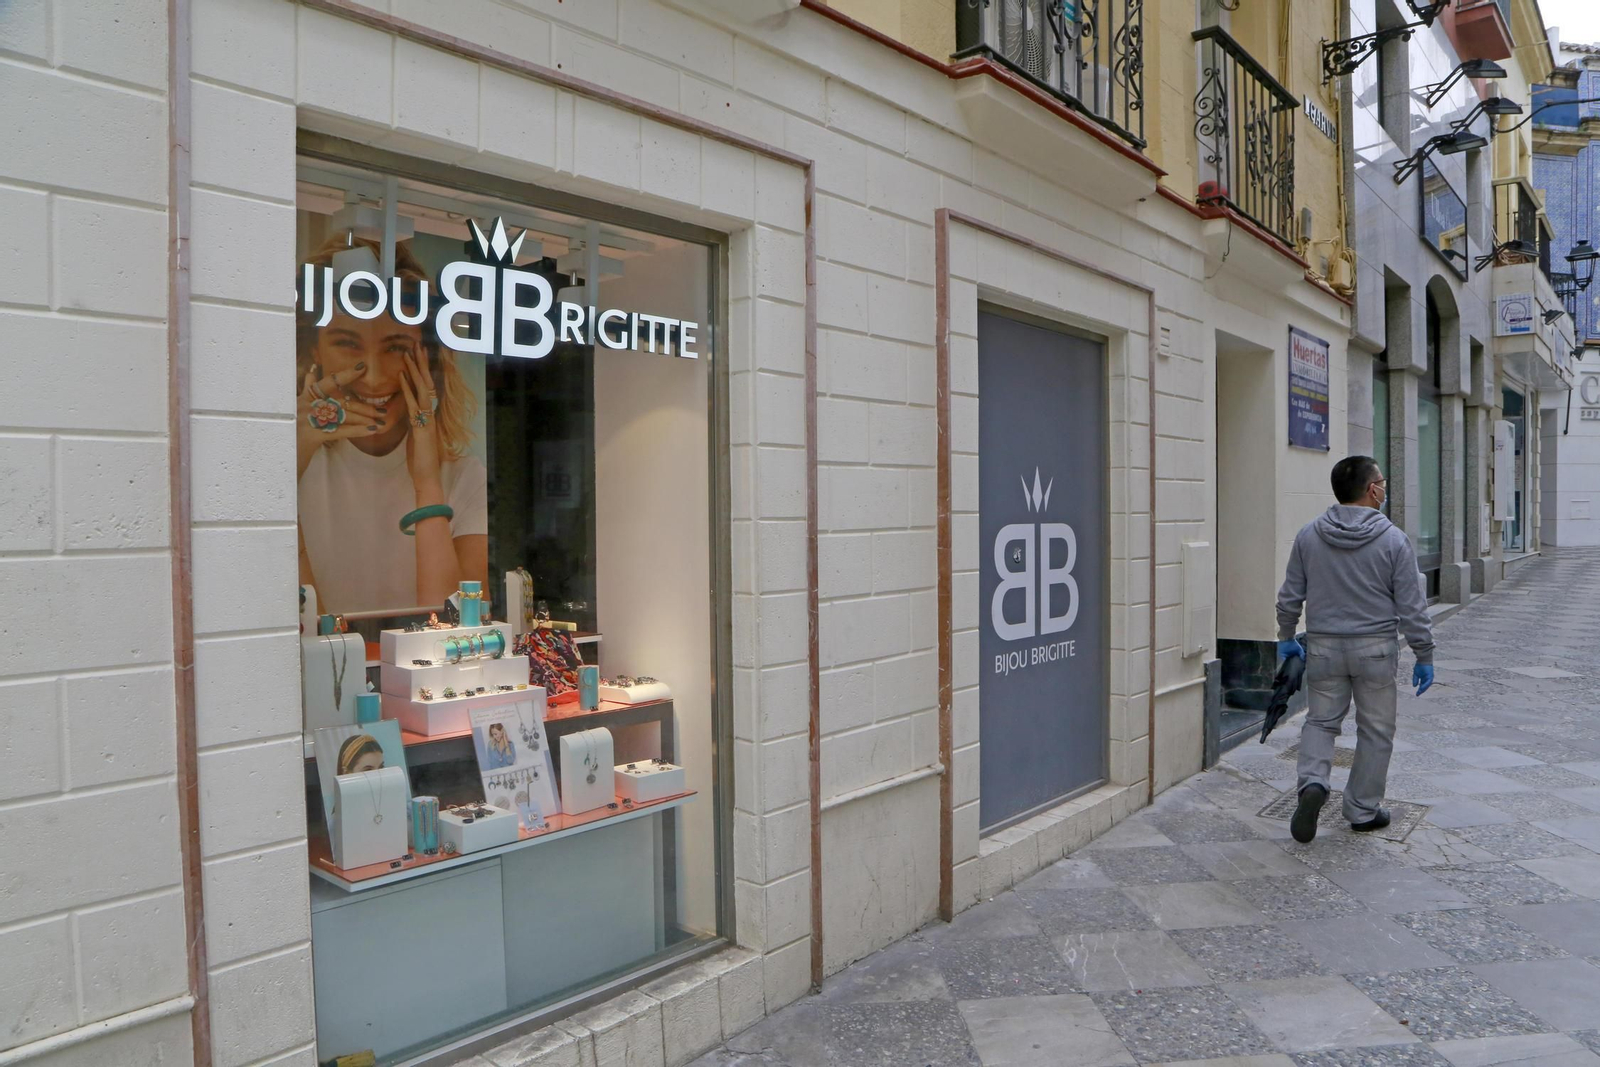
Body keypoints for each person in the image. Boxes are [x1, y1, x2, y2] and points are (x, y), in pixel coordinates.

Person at [296, 235, 488, 616]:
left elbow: (454, 632)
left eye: (395, 347)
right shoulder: (291, 470)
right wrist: (290, 461)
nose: (371, 378)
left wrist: (428, 485)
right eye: (347, 344)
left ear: (427, 356)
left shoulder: (464, 478)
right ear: (314, 350)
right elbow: (288, 629)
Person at [1275, 456, 1435, 842]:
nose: (1384, 487)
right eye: (1382, 481)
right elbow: (1411, 606)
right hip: (1375, 649)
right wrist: (1424, 653)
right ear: (1371, 489)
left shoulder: (1309, 535)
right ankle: (1362, 810)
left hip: (1324, 648)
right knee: (1376, 731)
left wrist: (1285, 636)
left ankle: (1313, 783)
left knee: (1320, 721)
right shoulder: (1393, 539)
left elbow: (1290, 596)